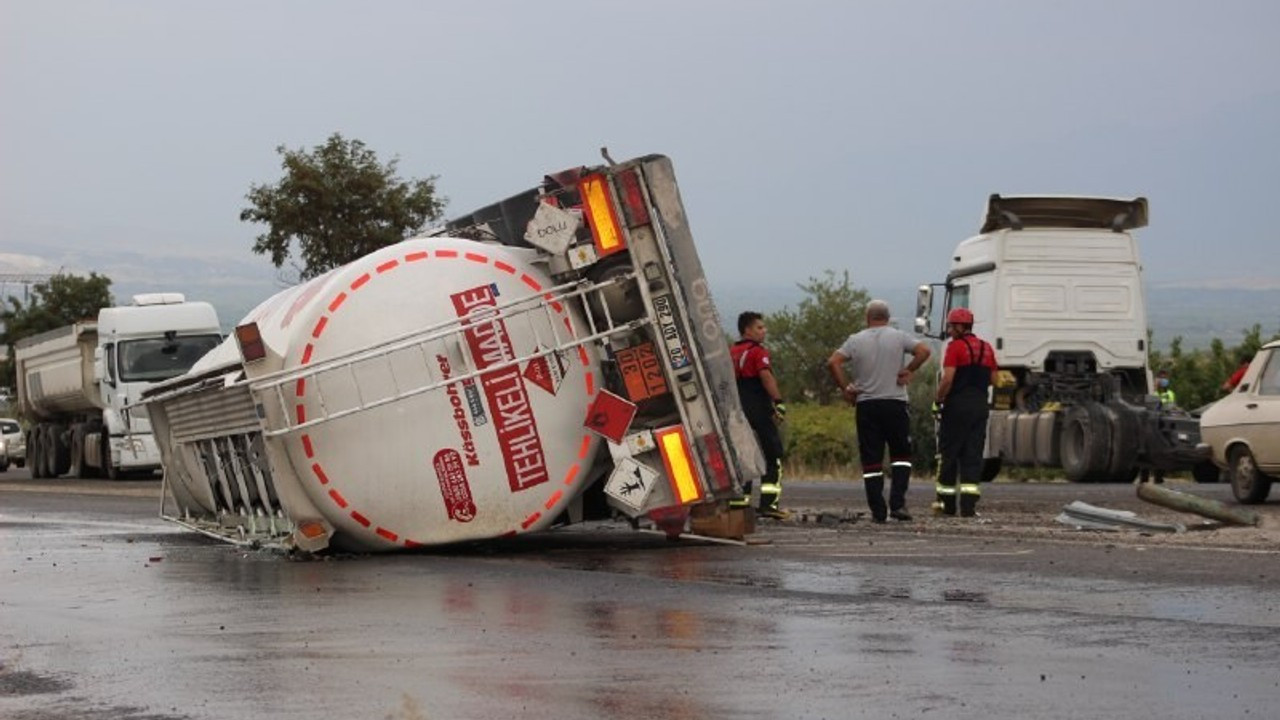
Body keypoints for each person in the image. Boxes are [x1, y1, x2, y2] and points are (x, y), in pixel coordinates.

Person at [826, 300, 931, 523]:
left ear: (867, 318)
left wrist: (846, 389)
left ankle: (878, 510)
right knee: (901, 456)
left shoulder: (855, 340)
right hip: (895, 402)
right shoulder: (899, 336)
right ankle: (898, 504)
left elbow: (833, 362)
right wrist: (908, 370)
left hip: (867, 405)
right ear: (888, 317)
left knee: (871, 460)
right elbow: (924, 350)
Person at [933, 307, 999, 516]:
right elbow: (994, 380)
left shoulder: (955, 348)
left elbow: (948, 379)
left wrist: (937, 399)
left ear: (961, 327)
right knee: (973, 455)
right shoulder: (986, 348)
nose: (950, 330)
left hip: (957, 407)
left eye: (952, 326)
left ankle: (947, 505)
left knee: (950, 454)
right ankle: (969, 507)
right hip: (980, 407)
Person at [730, 311, 787, 519]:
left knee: (743, 456)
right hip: (759, 408)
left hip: (737, 410)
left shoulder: (731, 351)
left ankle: (739, 502)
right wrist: (778, 402)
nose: (764, 331)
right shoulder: (757, 352)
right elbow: (765, 375)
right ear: (747, 330)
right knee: (773, 455)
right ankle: (769, 504)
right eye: (759, 328)